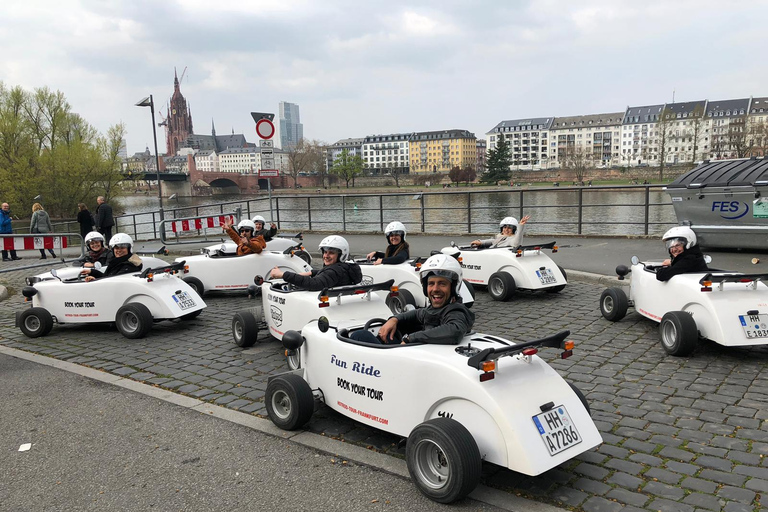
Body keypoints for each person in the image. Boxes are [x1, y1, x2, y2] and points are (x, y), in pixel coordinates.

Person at [352, 253, 475, 345]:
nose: (435, 289)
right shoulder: (435, 309)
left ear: (453, 288)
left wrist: (411, 338)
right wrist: (394, 319)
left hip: (419, 362)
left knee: (360, 335)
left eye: (442, 283)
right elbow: (418, 313)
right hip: (414, 355)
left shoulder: (456, 311)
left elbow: (454, 331)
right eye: (431, 284)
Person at [269, 235, 361, 291]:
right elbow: (328, 275)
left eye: (331, 253)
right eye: (325, 252)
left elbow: (314, 283)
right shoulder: (346, 267)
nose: (326, 256)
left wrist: (283, 274)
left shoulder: (334, 271)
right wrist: (311, 272)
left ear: (341, 255)